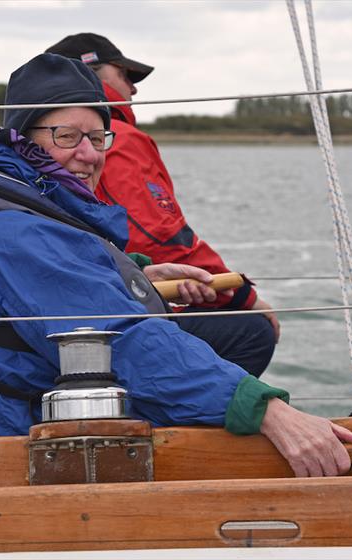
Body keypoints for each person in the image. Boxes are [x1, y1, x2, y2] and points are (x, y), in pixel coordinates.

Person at [0, 53, 352, 477]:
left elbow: (66, 285)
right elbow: (124, 339)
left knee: (241, 335)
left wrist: (135, 276)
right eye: (66, 136)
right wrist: (265, 409)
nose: (90, 155)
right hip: (24, 440)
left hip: (28, 409)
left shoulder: (23, 209)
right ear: (22, 139)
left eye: (97, 139)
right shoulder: (19, 233)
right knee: (238, 381)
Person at [46, 33, 278, 377]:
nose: (134, 89)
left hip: (69, 307)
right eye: (126, 76)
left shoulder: (37, 136)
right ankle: (179, 426)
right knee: (252, 331)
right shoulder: (116, 139)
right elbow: (157, 236)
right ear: (90, 72)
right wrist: (241, 295)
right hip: (96, 318)